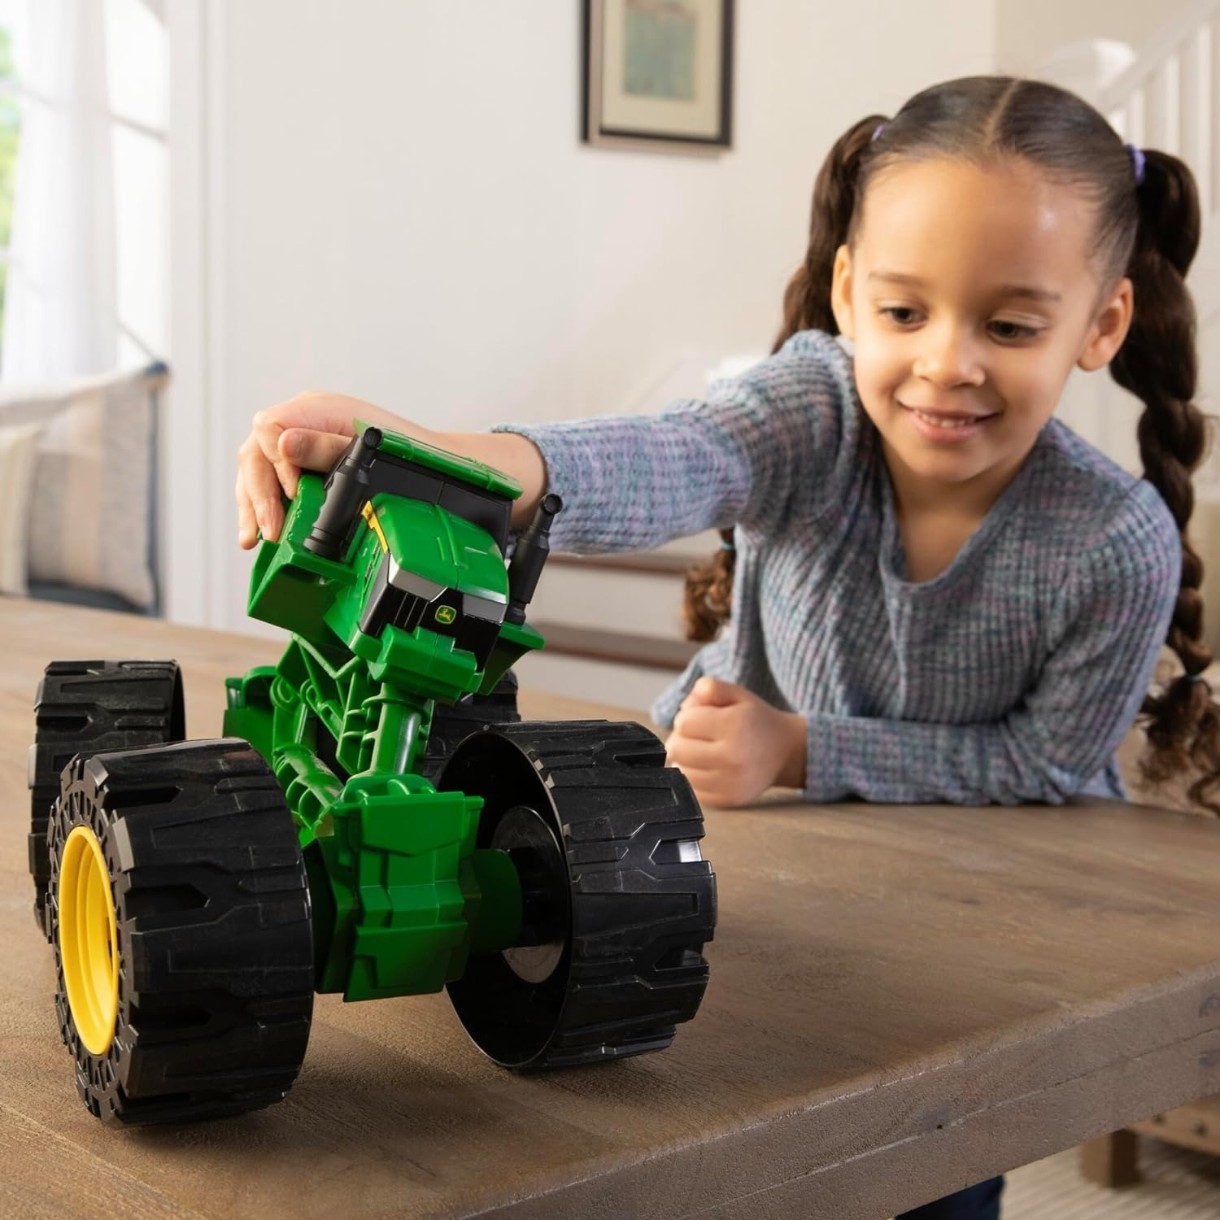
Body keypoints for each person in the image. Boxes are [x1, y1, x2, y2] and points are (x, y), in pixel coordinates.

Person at [236, 76, 1215, 1219]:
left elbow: (1047, 761)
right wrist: (446, 453)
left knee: (927, 1166)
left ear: (1100, 324)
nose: (946, 363)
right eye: (903, 312)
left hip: (969, 940)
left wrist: (800, 748)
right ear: (846, 292)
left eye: (1007, 326)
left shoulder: (1114, 539)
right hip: (746, 883)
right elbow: (671, 452)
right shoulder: (810, 408)